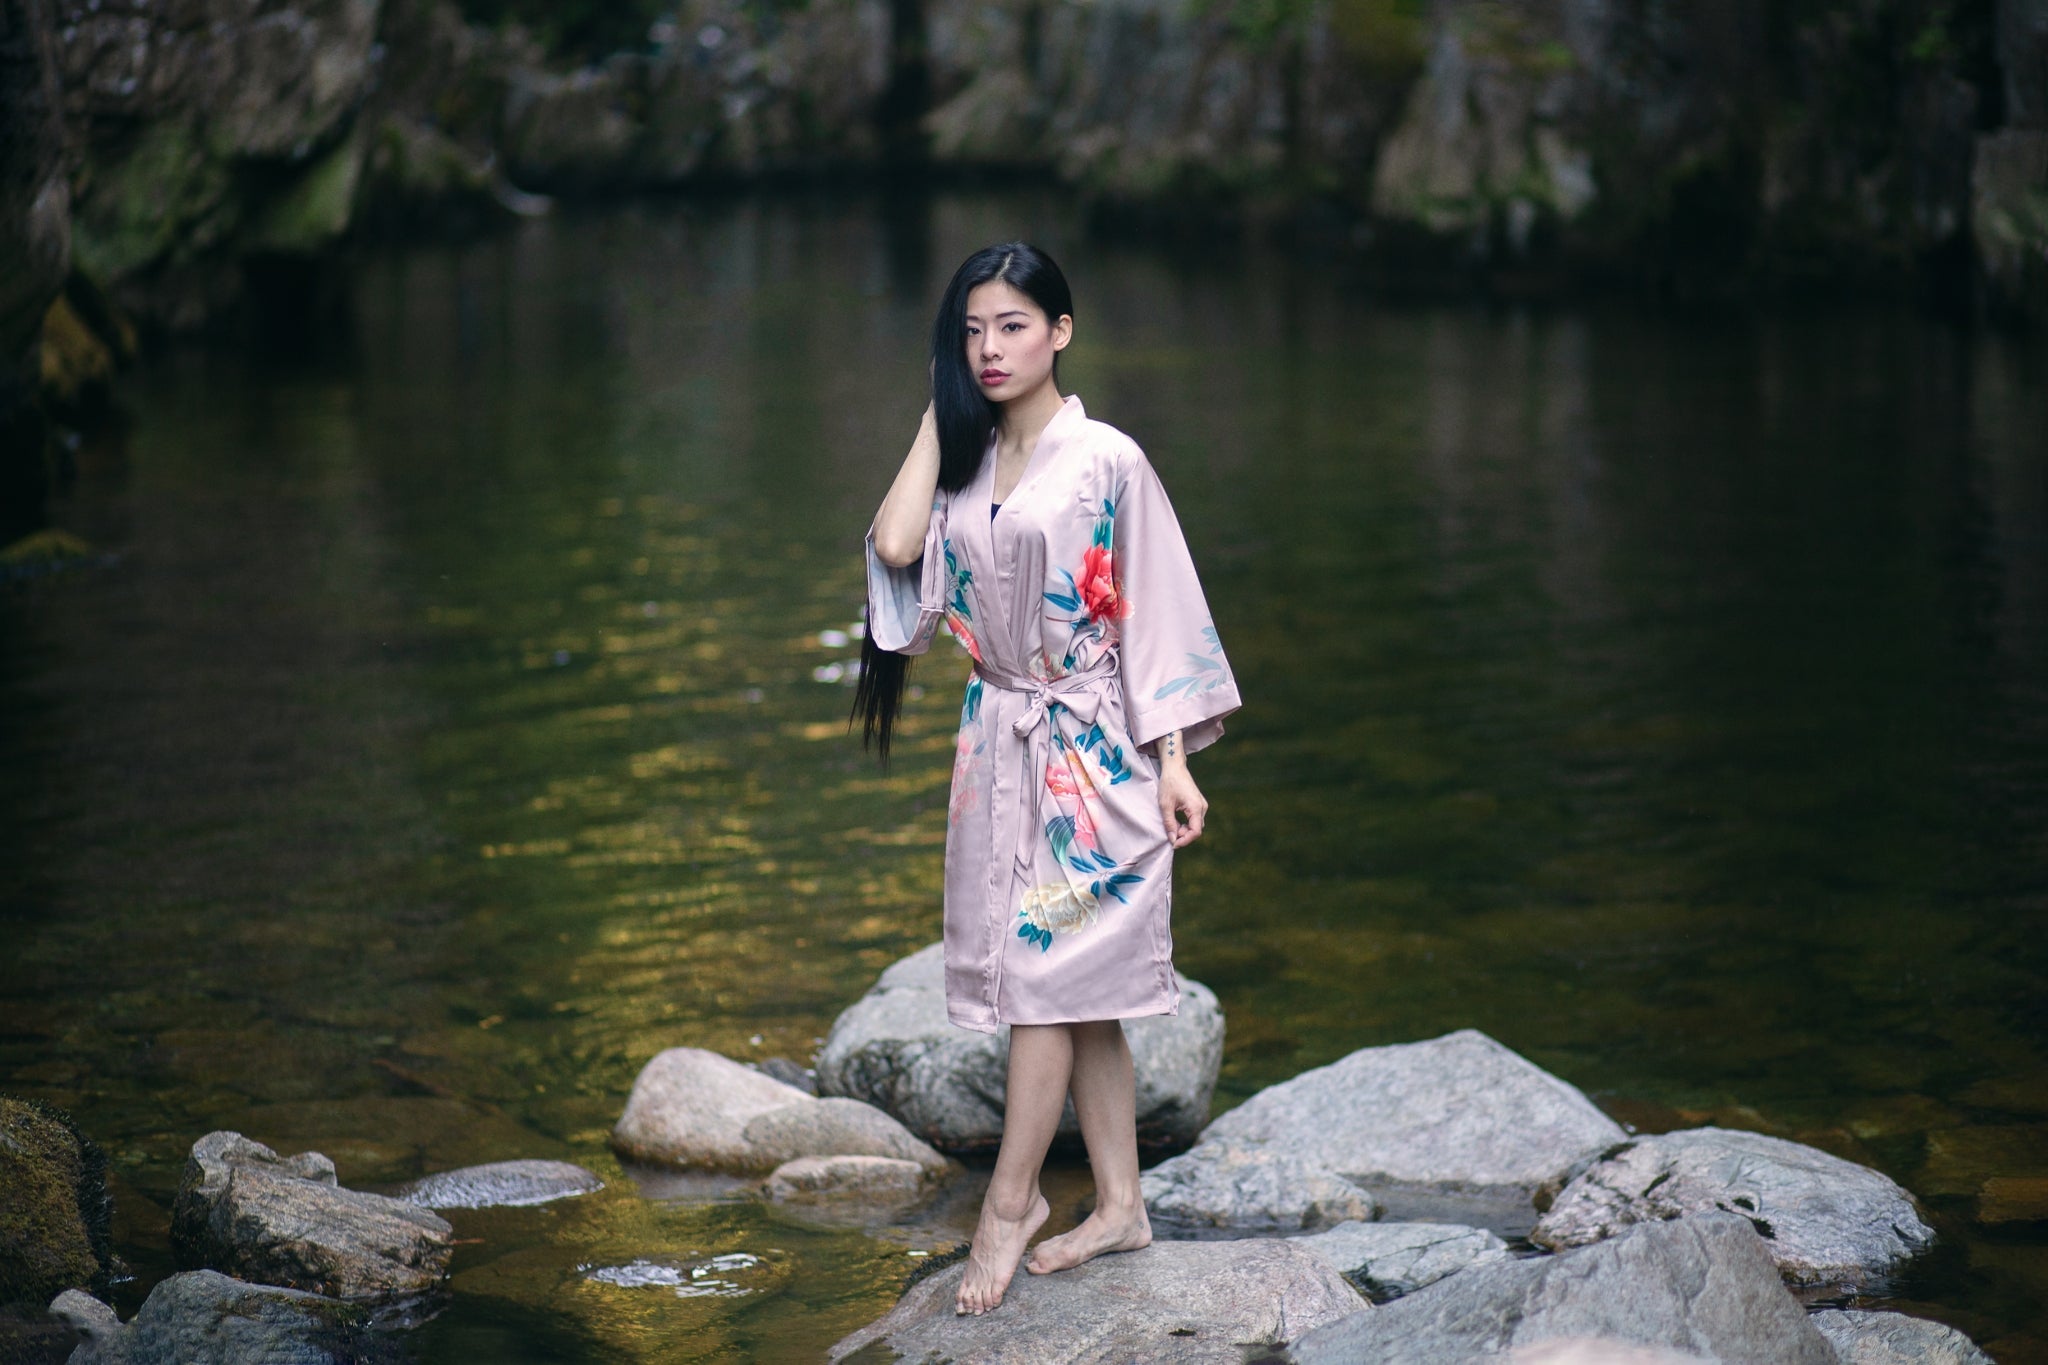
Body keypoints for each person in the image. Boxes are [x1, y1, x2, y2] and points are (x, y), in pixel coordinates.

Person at [853, 242, 1241, 1316]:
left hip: (1095, 769)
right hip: (1001, 750)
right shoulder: (968, 466)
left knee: (1041, 981)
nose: (990, 348)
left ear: (1060, 331)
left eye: (1013, 325)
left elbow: (1156, 605)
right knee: (1083, 994)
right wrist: (943, 410)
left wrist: (1172, 763)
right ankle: (1120, 1204)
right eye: (971, 331)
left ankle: (1007, 1205)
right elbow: (893, 545)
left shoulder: (1107, 458)